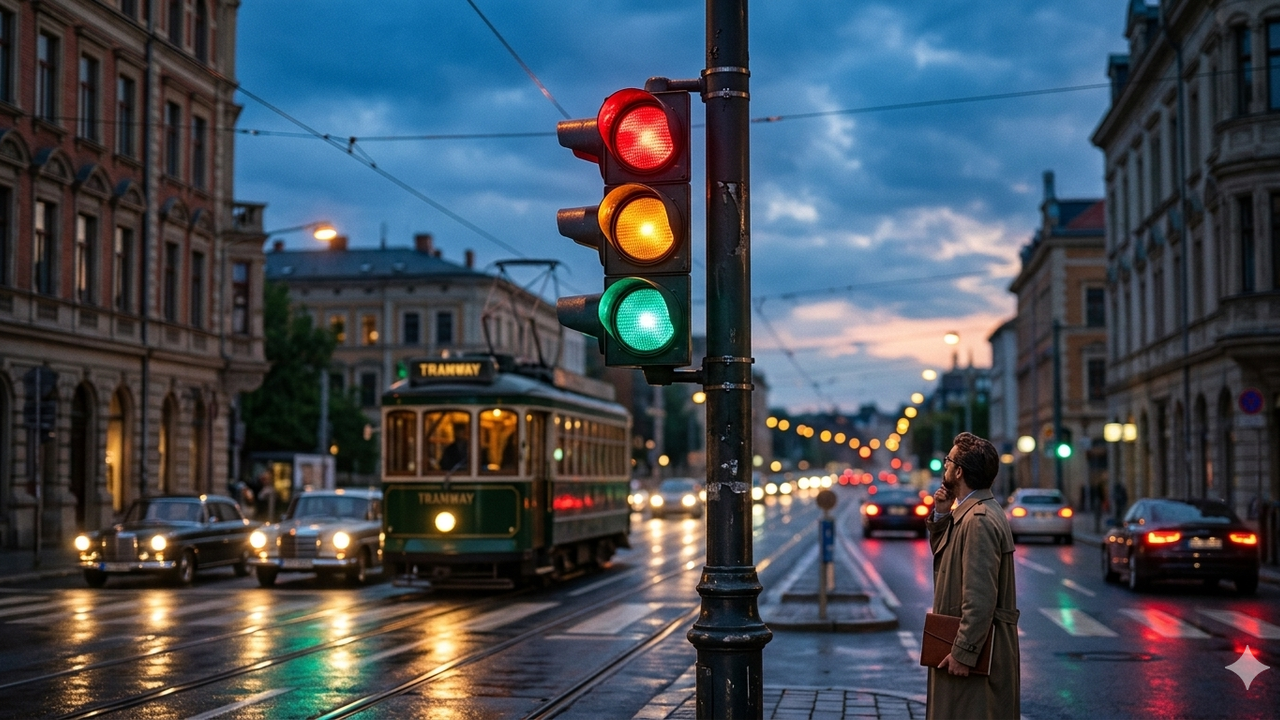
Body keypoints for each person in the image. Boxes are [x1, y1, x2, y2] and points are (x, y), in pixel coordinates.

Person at [926, 432, 1020, 720]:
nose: (945, 467)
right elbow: (946, 558)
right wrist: (942, 516)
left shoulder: (978, 520)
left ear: (959, 471)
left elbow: (980, 599)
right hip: (965, 644)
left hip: (976, 654)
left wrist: (963, 653)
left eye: (948, 462)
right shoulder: (969, 512)